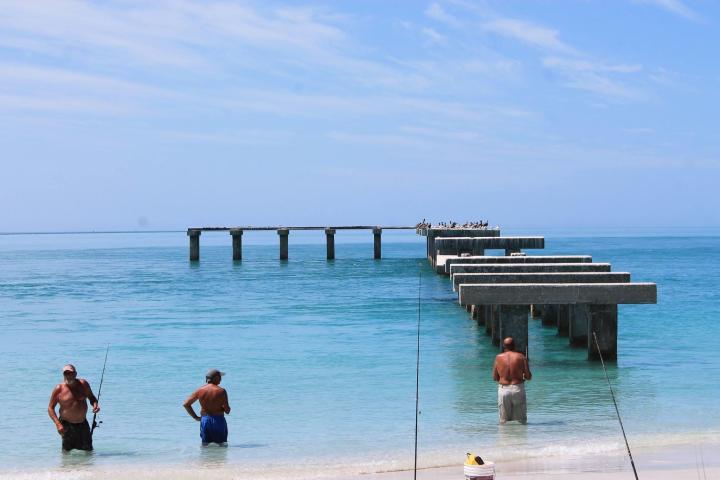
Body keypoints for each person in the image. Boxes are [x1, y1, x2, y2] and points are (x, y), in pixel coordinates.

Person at [48, 364, 100, 451]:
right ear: (63, 375)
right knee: (67, 452)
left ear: (75, 374)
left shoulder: (83, 384)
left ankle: (87, 465)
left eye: (71, 373)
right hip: (66, 425)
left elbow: (91, 397)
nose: (68, 376)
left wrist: (95, 405)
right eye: (66, 373)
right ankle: (68, 465)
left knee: (88, 450)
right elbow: (50, 408)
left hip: (83, 424)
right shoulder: (59, 389)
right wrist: (58, 424)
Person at [183, 369, 231, 445]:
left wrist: (195, 417)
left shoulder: (200, 390)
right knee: (221, 445)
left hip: (205, 420)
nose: (221, 379)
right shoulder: (221, 391)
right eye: (220, 377)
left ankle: (206, 457)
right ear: (216, 378)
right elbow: (227, 411)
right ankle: (220, 457)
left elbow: (186, 404)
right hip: (218, 420)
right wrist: (224, 408)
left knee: (205, 445)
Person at [492, 337, 531, 424]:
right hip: (518, 388)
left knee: (503, 421)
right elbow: (528, 376)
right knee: (521, 421)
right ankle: (520, 437)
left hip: (503, 389)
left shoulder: (498, 358)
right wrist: (523, 377)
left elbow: (495, 377)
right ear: (514, 346)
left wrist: (503, 379)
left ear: (503, 346)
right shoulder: (521, 357)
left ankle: (505, 437)